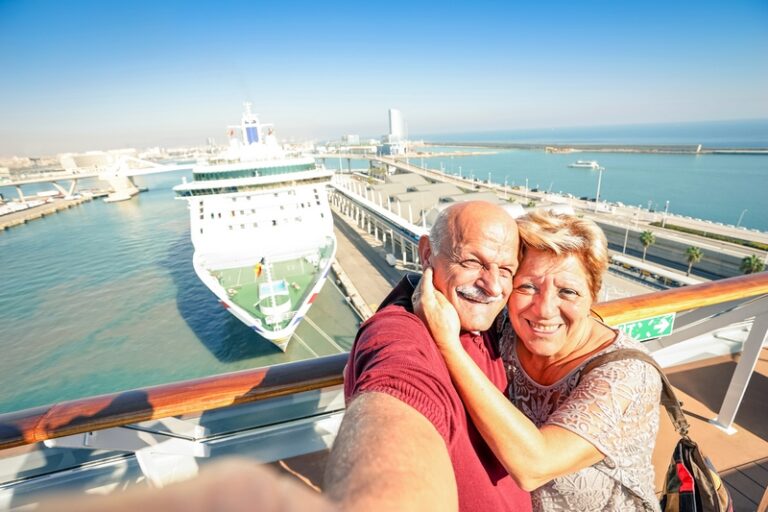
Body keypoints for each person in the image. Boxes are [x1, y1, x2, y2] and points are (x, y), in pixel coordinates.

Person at [416, 210, 662, 511]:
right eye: (527, 287)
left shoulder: (627, 376)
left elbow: (535, 466)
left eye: (568, 291)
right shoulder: (505, 329)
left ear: (593, 295)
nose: (544, 310)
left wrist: (448, 345)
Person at [324, 201, 531, 512]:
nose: (491, 286)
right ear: (425, 254)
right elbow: (397, 392)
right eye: (472, 261)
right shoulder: (399, 331)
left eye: (505, 270)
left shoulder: (486, 321)